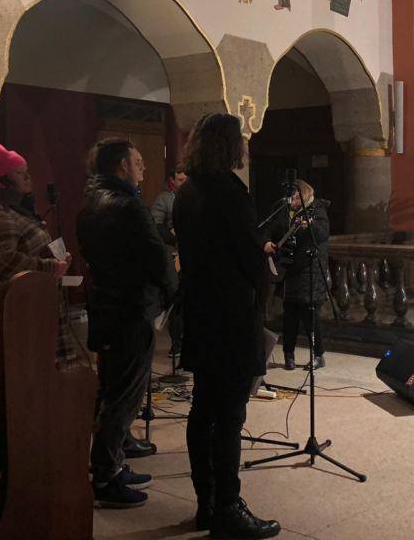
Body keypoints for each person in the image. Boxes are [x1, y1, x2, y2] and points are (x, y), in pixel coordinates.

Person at [173, 113, 281, 539]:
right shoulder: (231, 193)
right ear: (229, 146)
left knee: (203, 410)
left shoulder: (186, 192)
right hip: (231, 317)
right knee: (230, 416)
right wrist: (263, 275)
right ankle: (227, 509)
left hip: (200, 311)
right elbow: (251, 259)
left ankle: (207, 502)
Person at [77, 138, 174, 509]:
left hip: (105, 306)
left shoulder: (90, 202)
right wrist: (172, 290)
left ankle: (113, 463)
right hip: (132, 309)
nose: (143, 167)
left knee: (110, 389)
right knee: (125, 396)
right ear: (122, 165)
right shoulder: (128, 204)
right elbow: (156, 256)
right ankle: (106, 475)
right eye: (138, 161)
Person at [0, 143, 70, 471]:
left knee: (29, 380)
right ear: (3, 181)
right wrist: (49, 267)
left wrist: (56, 258)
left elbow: (27, 249)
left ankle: (26, 447)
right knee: (12, 383)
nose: (28, 177)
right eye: (20, 173)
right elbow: (3, 260)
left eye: (27, 171)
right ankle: (5, 455)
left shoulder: (17, 209)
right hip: (11, 308)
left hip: (28, 305)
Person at [264, 180, 330, 371]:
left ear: (304, 194)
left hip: (309, 270)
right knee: (289, 315)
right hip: (289, 270)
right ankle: (289, 355)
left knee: (310, 315)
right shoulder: (285, 213)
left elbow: (323, 234)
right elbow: (269, 231)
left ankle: (318, 355)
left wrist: (310, 226)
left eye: (294, 197)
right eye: (289, 197)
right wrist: (266, 242)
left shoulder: (317, 209)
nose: (291, 201)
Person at [151, 164, 187, 357]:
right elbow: (156, 226)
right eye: (180, 180)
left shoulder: (195, 197)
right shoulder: (164, 199)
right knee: (177, 302)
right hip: (175, 256)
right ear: (172, 180)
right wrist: (175, 239)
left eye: (187, 180)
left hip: (194, 255)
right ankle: (177, 343)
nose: (184, 183)